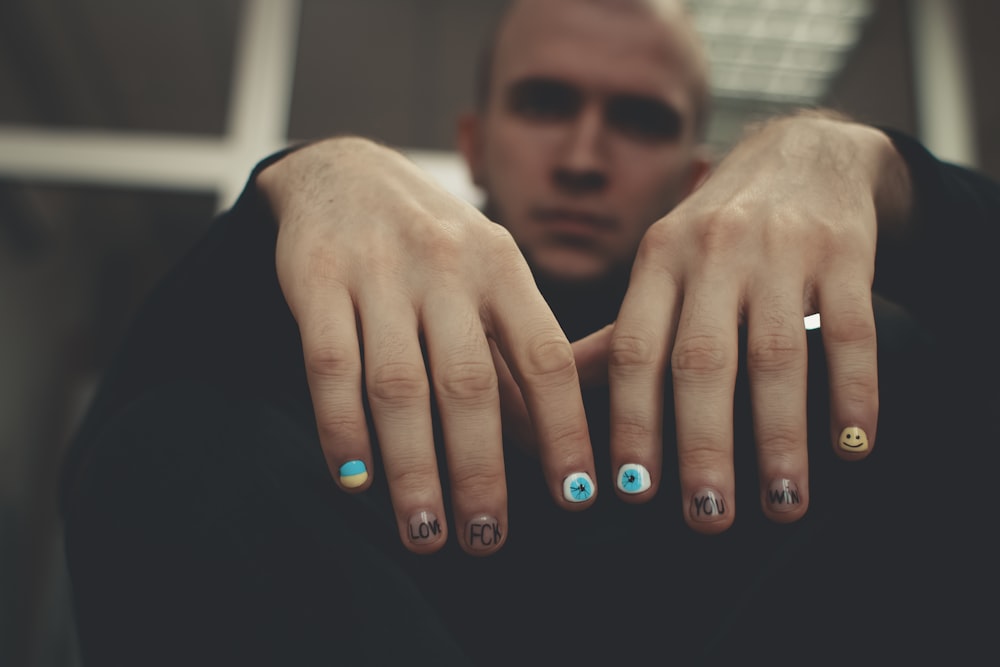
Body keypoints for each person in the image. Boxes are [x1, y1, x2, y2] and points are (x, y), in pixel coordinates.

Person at [59, 0, 998, 664]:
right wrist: (295, 187)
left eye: (638, 119)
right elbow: (120, 481)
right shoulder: (324, 384)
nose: (584, 157)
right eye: (546, 103)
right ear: (473, 141)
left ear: (692, 175)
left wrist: (889, 177)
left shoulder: (835, 389)